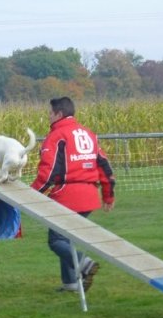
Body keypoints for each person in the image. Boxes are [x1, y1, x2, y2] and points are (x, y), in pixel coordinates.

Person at [31, 97, 115, 292]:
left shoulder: (57, 136)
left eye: (50, 113)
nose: (48, 116)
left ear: (59, 114)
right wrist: (108, 195)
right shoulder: (89, 134)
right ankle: (70, 283)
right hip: (89, 196)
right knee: (67, 238)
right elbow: (104, 165)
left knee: (56, 240)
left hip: (68, 195)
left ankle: (84, 264)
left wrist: (32, 194)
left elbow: (48, 172)